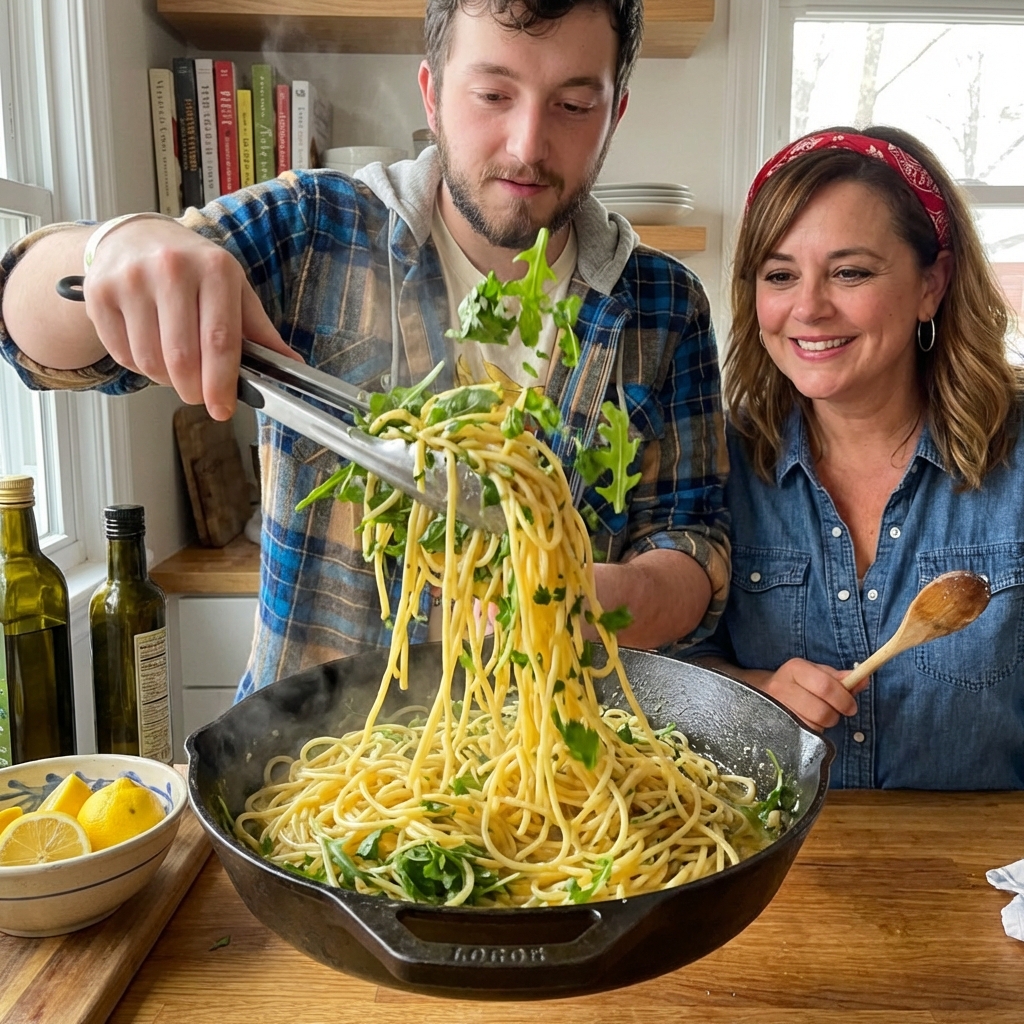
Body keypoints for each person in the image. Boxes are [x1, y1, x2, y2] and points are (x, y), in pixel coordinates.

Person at [0, 0, 729, 699]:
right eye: (492, 94)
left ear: (614, 116)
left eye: (574, 106)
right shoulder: (312, 230)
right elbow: (31, 335)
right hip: (314, 770)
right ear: (432, 95)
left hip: (560, 788)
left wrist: (605, 598)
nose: (527, 146)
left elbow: (695, 547)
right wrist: (114, 245)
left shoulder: (665, 308)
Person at [691, 124, 1024, 789]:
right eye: (780, 275)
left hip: (990, 879)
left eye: (850, 272)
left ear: (932, 284)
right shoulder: (718, 465)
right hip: (783, 880)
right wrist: (751, 692)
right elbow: (675, 666)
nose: (809, 307)